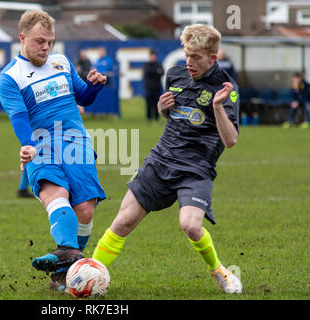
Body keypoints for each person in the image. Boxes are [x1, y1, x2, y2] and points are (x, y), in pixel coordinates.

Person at [92, 24, 242, 294]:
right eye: (186, 55)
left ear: (212, 58)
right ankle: (90, 276)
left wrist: (217, 107)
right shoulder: (174, 74)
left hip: (196, 168)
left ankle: (220, 271)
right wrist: (163, 109)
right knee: (123, 221)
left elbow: (230, 140)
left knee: (190, 226)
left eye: (196, 57)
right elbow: (176, 117)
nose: (189, 62)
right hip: (161, 159)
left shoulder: (226, 89)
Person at [0, 9, 107, 293]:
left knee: (84, 209)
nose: (46, 47)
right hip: (41, 146)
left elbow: (82, 96)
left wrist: (93, 87)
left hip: (76, 143)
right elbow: (19, 117)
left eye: (50, 41)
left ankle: (65, 265)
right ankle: (69, 263)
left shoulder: (61, 62)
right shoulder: (10, 77)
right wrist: (28, 145)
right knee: (56, 195)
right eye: (39, 41)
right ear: (22, 38)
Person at [143, 49, 164, 123]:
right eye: (152, 56)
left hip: (157, 87)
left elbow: (162, 72)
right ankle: (149, 119)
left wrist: (156, 72)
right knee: (149, 104)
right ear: (150, 56)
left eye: (154, 56)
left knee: (157, 104)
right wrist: (156, 71)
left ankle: (156, 118)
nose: (153, 57)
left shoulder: (158, 64)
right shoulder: (146, 65)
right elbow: (148, 72)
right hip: (149, 88)